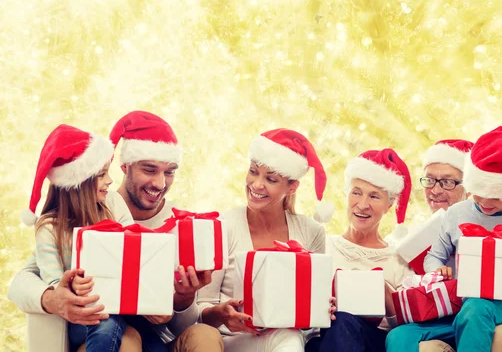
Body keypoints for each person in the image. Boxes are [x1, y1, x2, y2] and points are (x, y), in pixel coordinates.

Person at [9, 111, 223, 352]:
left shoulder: (178, 226)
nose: (161, 184)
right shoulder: (60, 225)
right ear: (125, 167)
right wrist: (56, 296)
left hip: (144, 324)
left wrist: (178, 301)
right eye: (150, 170)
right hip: (99, 323)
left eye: (169, 172)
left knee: (182, 337)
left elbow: (179, 323)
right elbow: (22, 282)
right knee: (121, 336)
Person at [387, 127, 502, 352]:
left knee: (477, 308)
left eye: (496, 195)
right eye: (478, 191)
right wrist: (438, 271)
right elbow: (433, 258)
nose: (485, 202)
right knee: (398, 336)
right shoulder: (456, 214)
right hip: (457, 307)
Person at [172, 128, 333, 352]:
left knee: (289, 337)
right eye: (253, 172)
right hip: (226, 340)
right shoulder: (222, 226)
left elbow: (313, 326)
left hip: (284, 340)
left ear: (292, 186)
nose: (257, 184)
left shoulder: (311, 232)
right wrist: (220, 313)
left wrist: (321, 308)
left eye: (271, 179)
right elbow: (199, 309)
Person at [25, 124, 132, 352]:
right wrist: (71, 284)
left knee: (153, 343)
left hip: (123, 305)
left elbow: (134, 249)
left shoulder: (112, 204)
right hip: (84, 316)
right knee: (104, 323)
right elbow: (55, 284)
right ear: (79, 184)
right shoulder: (49, 228)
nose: (111, 181)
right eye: (102, 175)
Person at [305, 148, 413, 352]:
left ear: (389, 205)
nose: (362, 205)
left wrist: (386, 294)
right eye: (356, 193)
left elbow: (407, 330)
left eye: (374, 196)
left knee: (344, 321)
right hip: (323, 340)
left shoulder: (399, 260)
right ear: (347, 195)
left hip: (373, 343)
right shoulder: (322, 247)